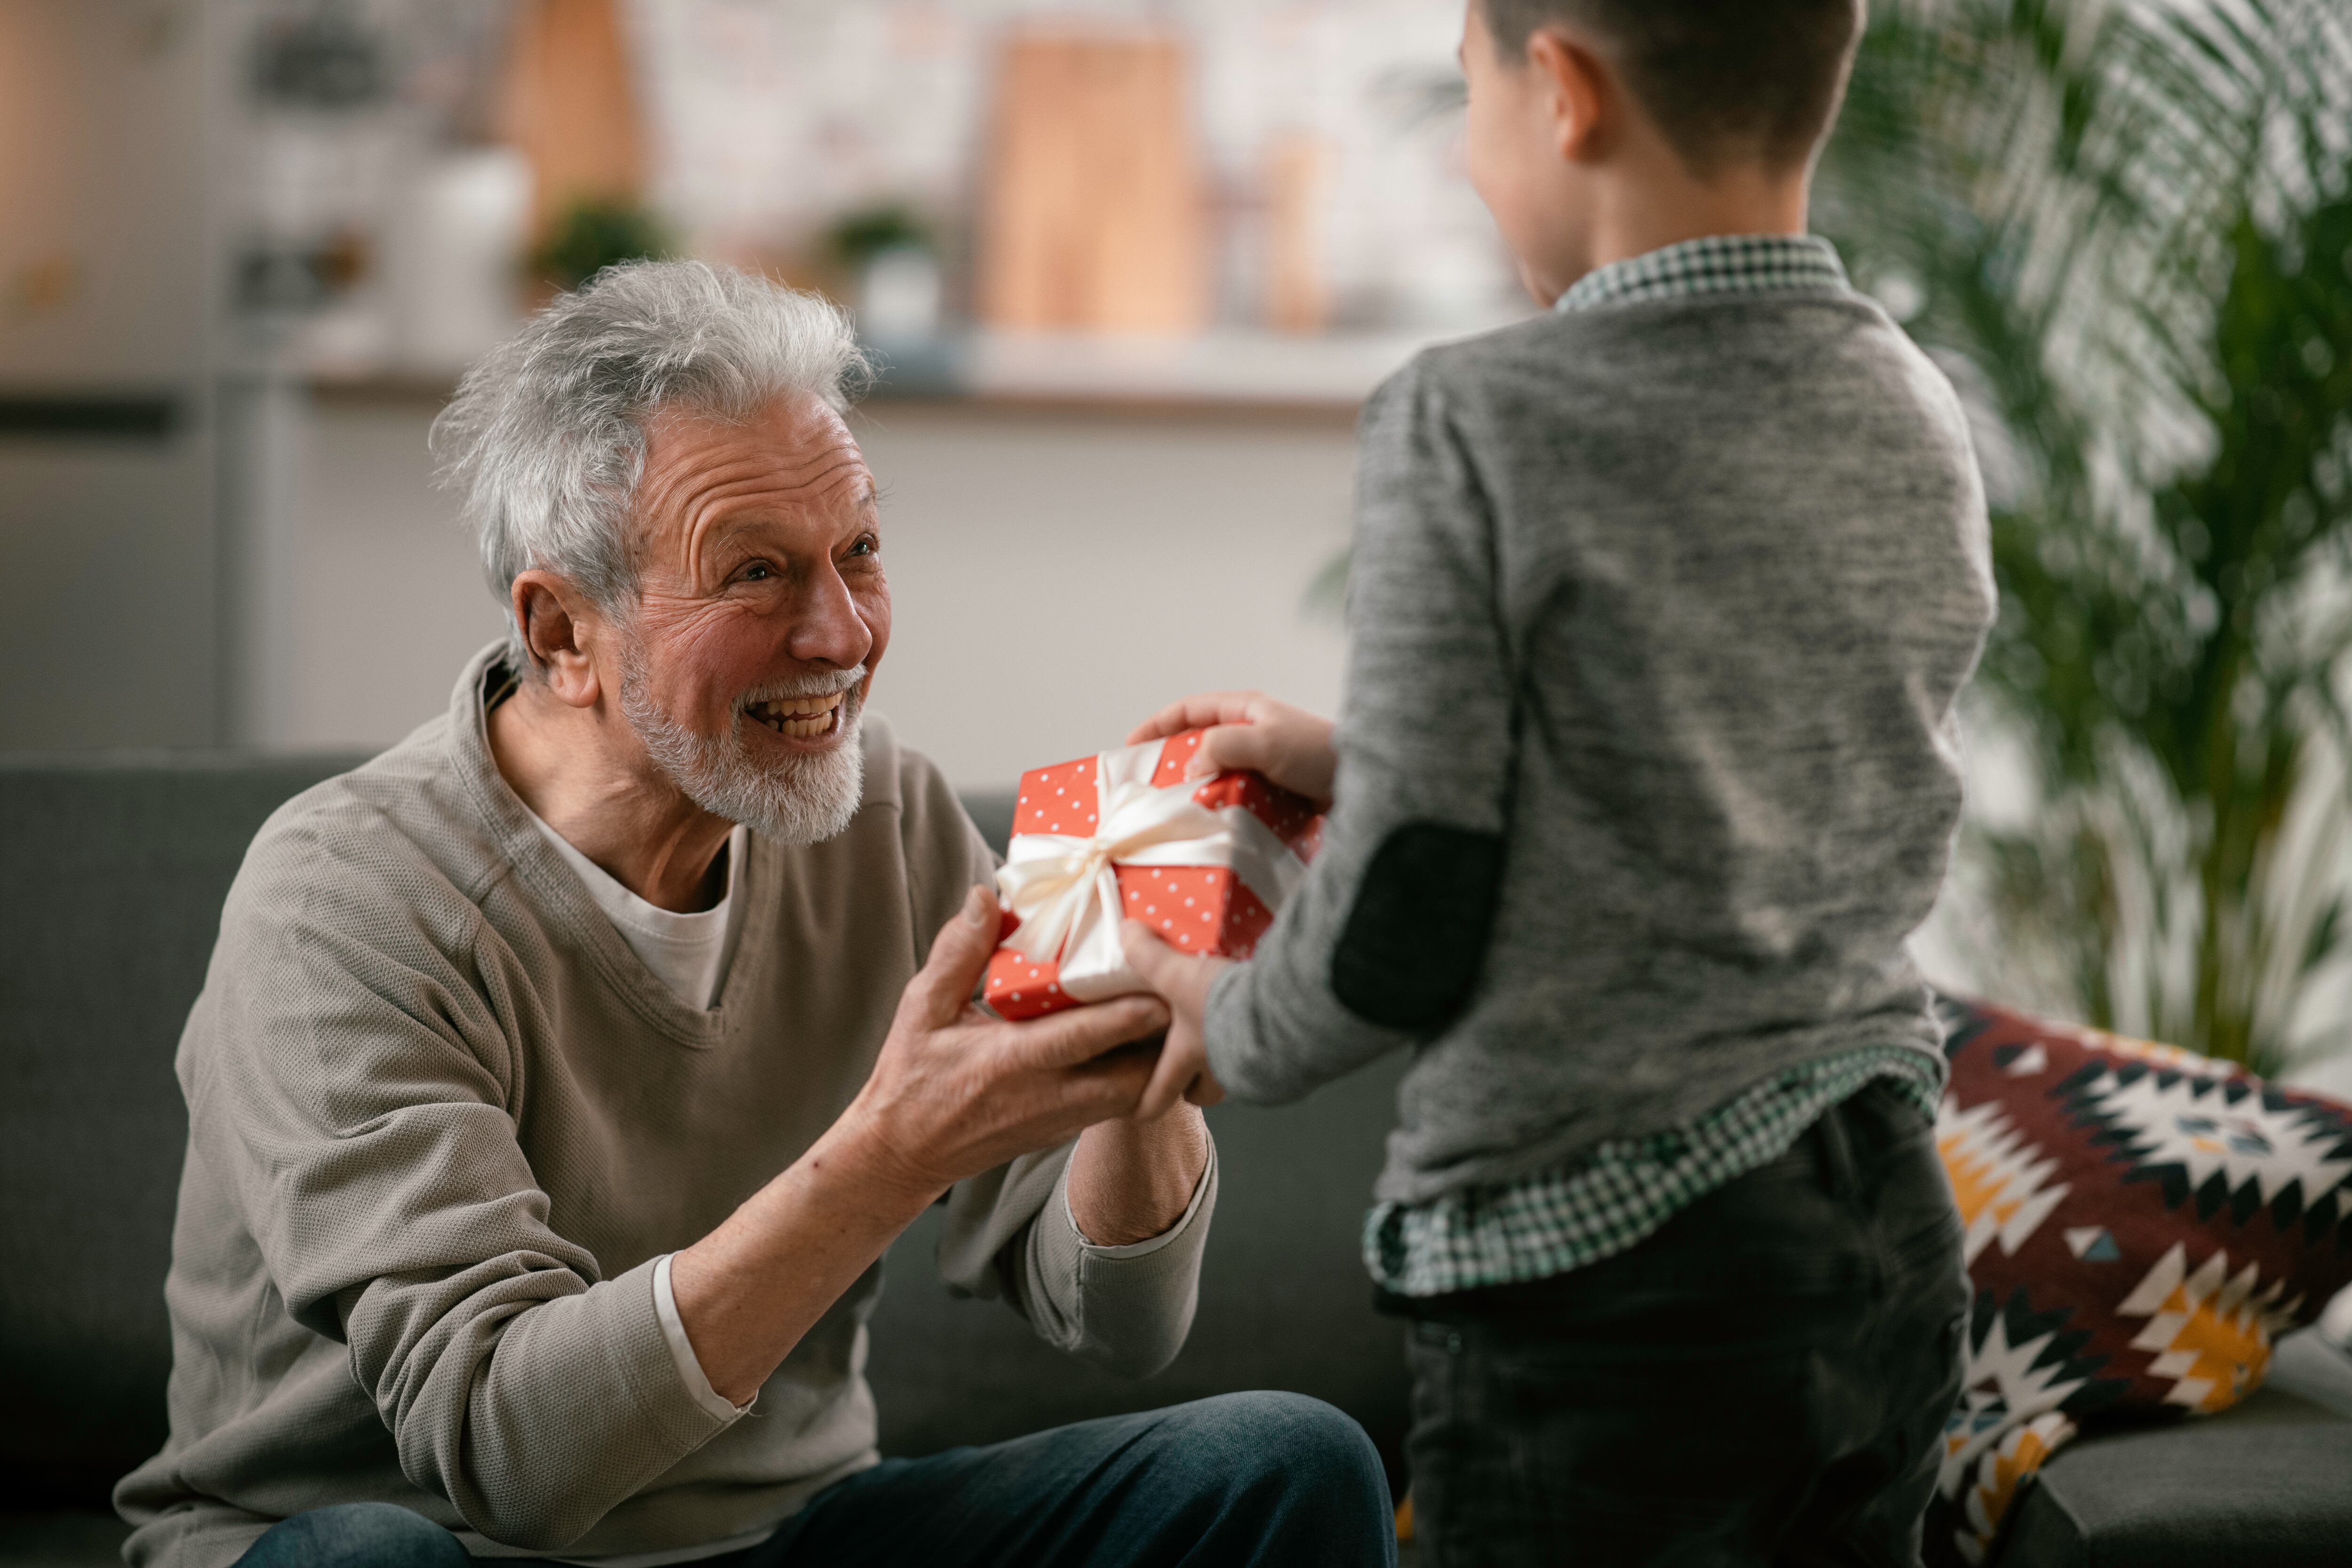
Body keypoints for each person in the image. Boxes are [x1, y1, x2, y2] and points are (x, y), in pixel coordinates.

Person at [114, 262, 1393, 1568]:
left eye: (859, 553)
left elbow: (1116, 1324)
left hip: (781, 1539)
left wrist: (1142, 1065)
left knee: (1281, 1465)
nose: (840, 635)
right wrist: (883, 1161)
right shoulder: (345, 899)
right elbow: (505, 1455)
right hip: (446, 1546)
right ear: (563, 632)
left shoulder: (875, 813)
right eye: (756, 575)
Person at [1119, 2, 1995, 1563]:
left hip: (1614, 1278)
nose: (1467, 160)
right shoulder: (1914, 410)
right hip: (1885, 1230)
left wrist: (1222, 1019)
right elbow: (1746, 751)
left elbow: (1410, 902)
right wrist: (1358, 758)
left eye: (1471, 99)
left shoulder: (1471, 421)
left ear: (1565, 94)